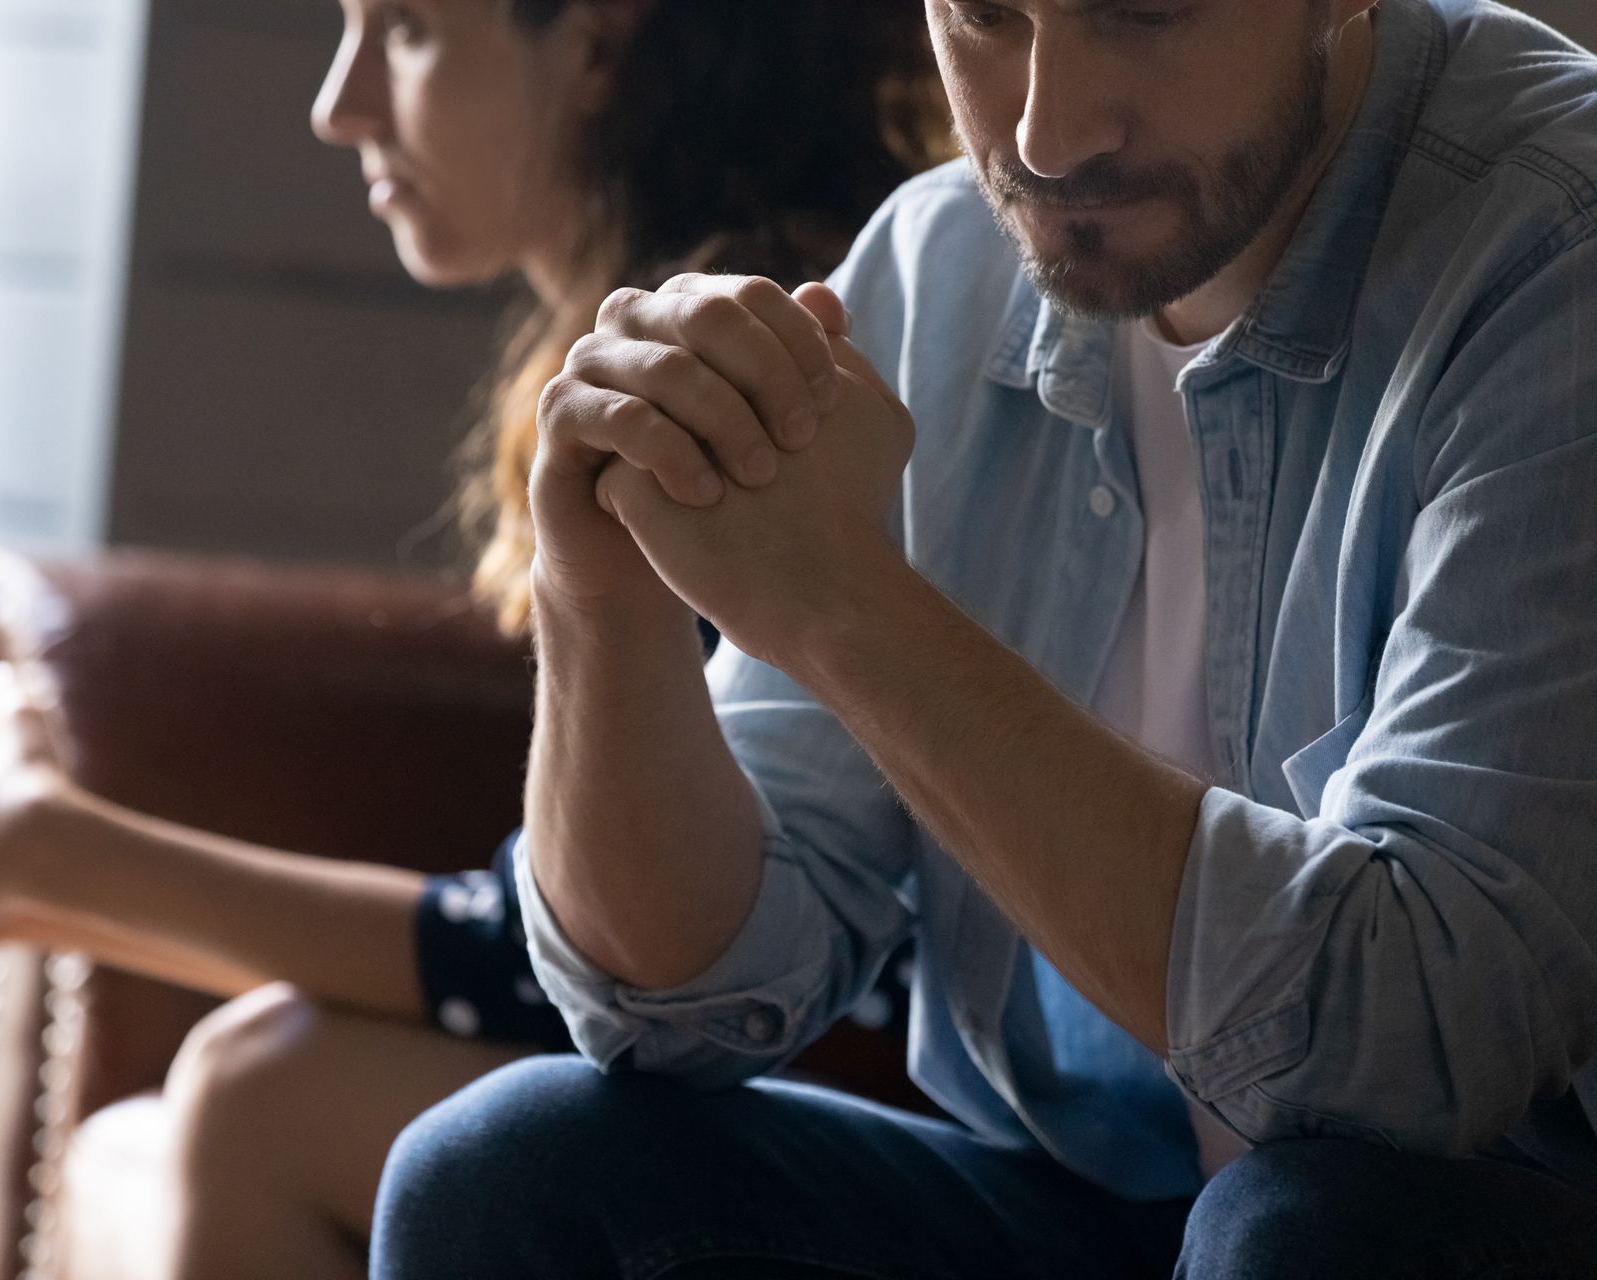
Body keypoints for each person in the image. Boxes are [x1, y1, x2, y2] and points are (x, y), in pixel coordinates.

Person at [0, 2, 947, 1277]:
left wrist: (47, 857)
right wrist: (18, 869)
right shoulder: (638, 348)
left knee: (264, 1090)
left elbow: (576, 964)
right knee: (136, 1161)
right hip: (745, 1067)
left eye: (403, 29)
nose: (338, 106)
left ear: (597, 41)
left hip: (876, 1106)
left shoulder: (750, 369)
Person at [364, 0, 1597, 1276]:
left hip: (1481, 1213)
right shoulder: (940, 265)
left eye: (1144, 13)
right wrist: (597, 588)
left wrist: (852, 611)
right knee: (513, 1166)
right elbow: (674, 999)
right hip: (1104, 1201)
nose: (1047, 132)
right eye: (987, 16)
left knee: (1311, 1233)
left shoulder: (1559, 246)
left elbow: (1416, 1056)